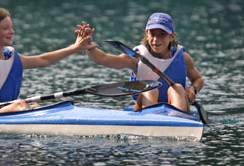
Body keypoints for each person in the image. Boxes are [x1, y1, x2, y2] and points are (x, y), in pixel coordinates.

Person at [76, 12, 204, 112]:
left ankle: (177, 119)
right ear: (146, 34)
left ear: (172, 36)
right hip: (144, 106)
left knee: (177, 88)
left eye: (162, 35)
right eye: (152, 34)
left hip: (176, 106)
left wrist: (193, 89)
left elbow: (198, 79)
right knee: (150, 88)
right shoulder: (136, 57)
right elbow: (103, 59)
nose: (156, 39)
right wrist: (90, 48)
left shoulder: (183, 57)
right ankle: (151, 118)